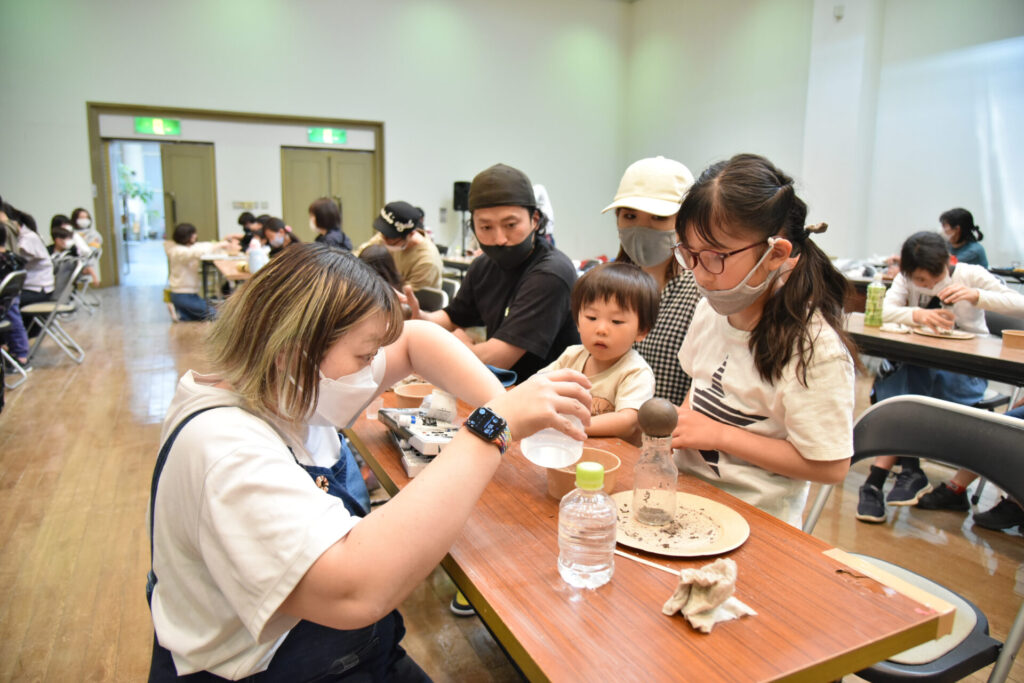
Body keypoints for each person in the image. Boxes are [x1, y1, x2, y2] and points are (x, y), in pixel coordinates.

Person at [147, 242, 591, 680]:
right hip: (270, 667)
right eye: (364, 356)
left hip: (350, 647)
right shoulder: (226, 448)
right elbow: (355, 592)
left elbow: (415, 340)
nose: (373, 369)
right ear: (293, 350)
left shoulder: (287, 384)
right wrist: (493, 426)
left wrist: (505, 403)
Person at [671, 153, 857, 527]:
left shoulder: (814, 351)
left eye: (714, 256)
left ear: (776, 253)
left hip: (757, 522)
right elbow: (699, 387)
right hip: (688, 499)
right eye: (688, 253)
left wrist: (719, 435)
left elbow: (832, 466)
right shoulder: (711, 310)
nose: (699, 274)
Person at [856, 231, 1024, 522]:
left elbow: (1019, 304)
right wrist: (916, 316)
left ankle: (880, 478)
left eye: (935, 277)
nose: (930, 286)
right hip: (919, 369)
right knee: (906, 372)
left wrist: (978, 296)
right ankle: (907, 471)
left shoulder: (970, 274)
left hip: (964, 376)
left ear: (949, 261)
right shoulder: (905, 279)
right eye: (921, 281)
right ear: (908, 272)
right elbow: (882, 309)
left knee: (902, 387)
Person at [407, 163, 579, 382]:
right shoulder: (484, 265)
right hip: (500, 388)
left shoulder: (551, 274)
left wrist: (461, 345)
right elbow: (453, 317)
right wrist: (420, 317)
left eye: (510, 225)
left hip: (546, 393)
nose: (499, 239)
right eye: (486, 227)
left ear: (535, 220)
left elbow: (495, 361)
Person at [602, 156, 701, 407]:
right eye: (630, 216)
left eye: (658, 217)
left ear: (685, 222)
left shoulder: (702, 293)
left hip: (670, 440)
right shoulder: (607, 283)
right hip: (605, 432)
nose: (641, 228)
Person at [540, 262, 658, 441]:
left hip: (617, 459)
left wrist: (569, 426)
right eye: (591, 317)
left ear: (642, 331)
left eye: (616, 321)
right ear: (578, 322)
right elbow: (538, 385)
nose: (601, 329)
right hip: (571, 446)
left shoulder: (635, 372)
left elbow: (626, 422)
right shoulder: (571, 356)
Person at [355, 201, 443, 291]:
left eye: (390, 237)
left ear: (412, 233)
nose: (382, 239)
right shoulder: (386, 237)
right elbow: (358, 256)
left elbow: (407, 298)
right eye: (383, 233)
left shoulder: (427, 262)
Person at [164, 222, 238, 322]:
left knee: (202, 315)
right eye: (193, 234)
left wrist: (219, 244)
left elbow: (200, 246)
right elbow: (197, 252)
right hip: (182, 294)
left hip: (189, 294)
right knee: (214, 314)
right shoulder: (178, 251)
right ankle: (180, 312)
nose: (196, 236)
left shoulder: (183, 248)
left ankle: (182, 313)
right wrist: (219, 245)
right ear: (187, 235)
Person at [9, 204, 55, 332]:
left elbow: (13, 263)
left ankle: (15, 345)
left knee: (7, 304)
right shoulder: (26, 237)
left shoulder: (27, 240)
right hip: (37, 288)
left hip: (38, 291)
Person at [0, 203, 30, 368]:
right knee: (14, 315)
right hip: (10, 299)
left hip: (4, 303)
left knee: (13, 315)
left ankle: (19, 355)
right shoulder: (11, 258)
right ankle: (18, 351)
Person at [70, 207, 102, 285]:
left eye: (86, 217)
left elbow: (91, 251)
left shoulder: (93, 234)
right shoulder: (70, 233)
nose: (84, 220)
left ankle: (91, 272)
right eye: (81, 217)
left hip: (84, 261)